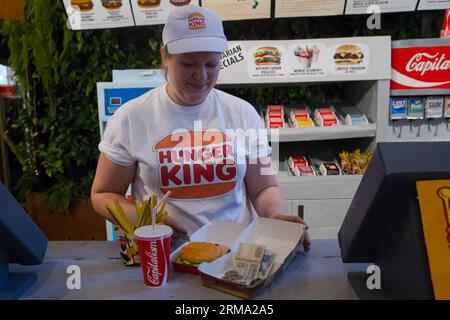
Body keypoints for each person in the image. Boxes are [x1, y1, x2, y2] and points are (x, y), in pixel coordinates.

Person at [91, 5, 311, 252]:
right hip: (165, 255)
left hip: (235, 257)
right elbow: (104, 194)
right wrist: (145, 220)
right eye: (188, 64)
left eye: (211, 64)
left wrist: (275, 217)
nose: (201, 75)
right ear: (165, 56)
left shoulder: (242, 113)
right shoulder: (132, 117)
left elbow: (264, 188)